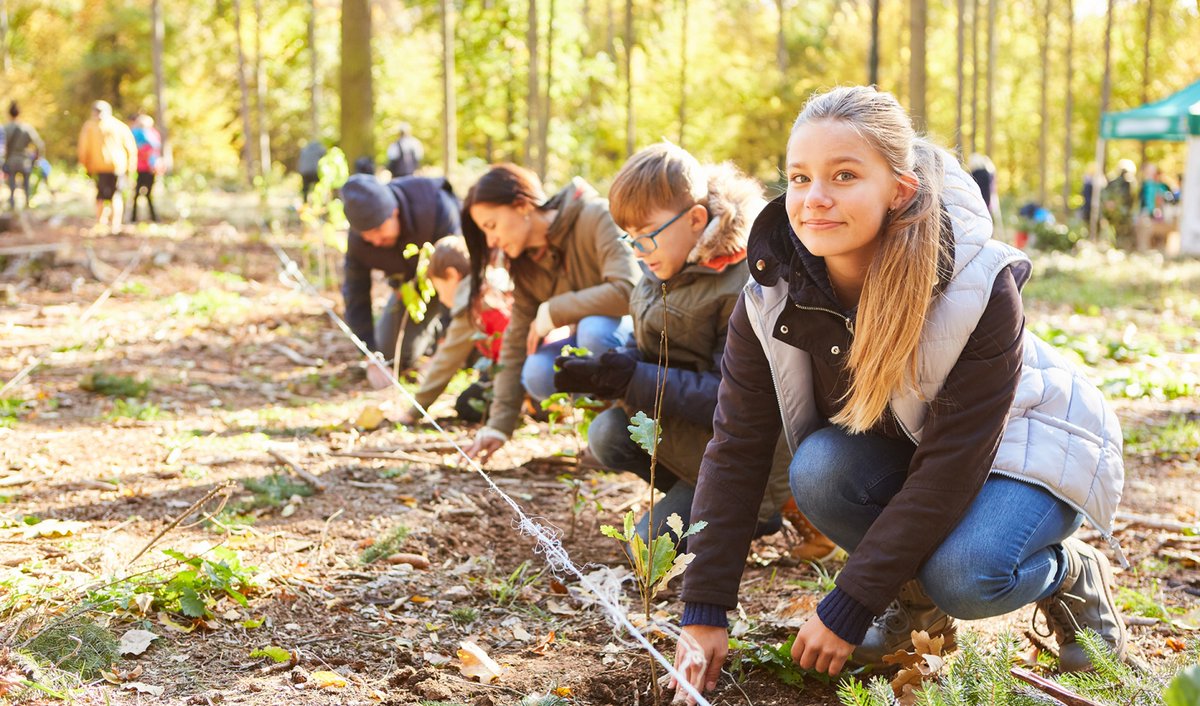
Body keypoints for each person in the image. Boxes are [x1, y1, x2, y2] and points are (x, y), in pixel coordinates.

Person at [671, 86, 1127, 700]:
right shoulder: (769, 293)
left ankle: (1071, 572)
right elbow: (737, 448)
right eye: (800, 177)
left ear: (900, 190)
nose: (814, 198)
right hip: (916, 450)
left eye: (844, 175)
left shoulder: (980, 284)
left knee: (966, 576)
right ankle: (917, 609)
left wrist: (850, 602)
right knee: (821, 468)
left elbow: (950, 467)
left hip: (1031, 444)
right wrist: (703, 609)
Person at [552, 143, 832, 558]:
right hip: (696, 438)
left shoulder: (744, 283)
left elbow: (730, 399)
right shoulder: (663, 261)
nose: (638, 250)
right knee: (609, 434)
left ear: (696, 220)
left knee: (648, 551)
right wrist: (608, 371)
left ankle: (758, 506)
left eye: (646, 235)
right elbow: (649, 342)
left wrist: (633, 380)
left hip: (745, 454)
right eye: (630, 238)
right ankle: (714, 501)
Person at [461, 164, 640, 462]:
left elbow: (628, 289)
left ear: (521, 205)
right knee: (537, 372)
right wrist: (498, 426)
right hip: (595, 351)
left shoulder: (595, 216)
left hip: (636, 343)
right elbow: (515, 341)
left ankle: (634, 422)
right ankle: (602, 431)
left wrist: (554, 310)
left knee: (594, 330)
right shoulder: (527, 264)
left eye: (491, 226)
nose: (491, 241)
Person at [340, 173, 462, 369]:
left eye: (379, 230)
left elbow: (458, 272)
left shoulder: (435, 206)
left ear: (394, 212)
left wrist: (446, 345)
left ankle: (448, 337)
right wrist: (369, 353)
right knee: (391, 356)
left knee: (465, 346)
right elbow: (355, 293)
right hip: (412, 289)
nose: (376, 240)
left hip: (456, 283)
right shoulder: (358, 242)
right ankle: (431, 335)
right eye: (367, 236)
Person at [390, 235, 510, 425]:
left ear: (452, 275)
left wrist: (414, 411)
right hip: (519, 362)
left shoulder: (471, 304)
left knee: (467, 404)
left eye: (440, 289)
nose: (442, 299)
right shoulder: (489, 284)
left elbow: (446, 363)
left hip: (514, 371)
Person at [77, 100, 137, 235]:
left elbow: (83, 148)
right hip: (118, 166)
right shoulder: (120, 126)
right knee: (115, 195)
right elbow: (131, 149)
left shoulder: (90, 127)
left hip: (102, 166)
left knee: (102, 196)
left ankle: (101, 223)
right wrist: (130, 168)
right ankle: (114, 225)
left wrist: (85, 165)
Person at [3, 101, 45, 210]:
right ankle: (27, 204)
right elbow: (40, 144)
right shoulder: (27, 128)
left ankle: (12, 205)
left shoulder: (5, 128)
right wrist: (36, 158)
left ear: (9, 114)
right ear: (19, 113)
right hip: (24, 161)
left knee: (11, 185)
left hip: (11, 160)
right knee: (26, 184)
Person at [129, 114, 162, 223]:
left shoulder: (152, 134)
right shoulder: (138, 134)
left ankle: (151, 217)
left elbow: (154, 151)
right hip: (141, 168)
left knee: (146, 194)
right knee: (139, 194)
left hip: (148, 168)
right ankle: (135, 217)